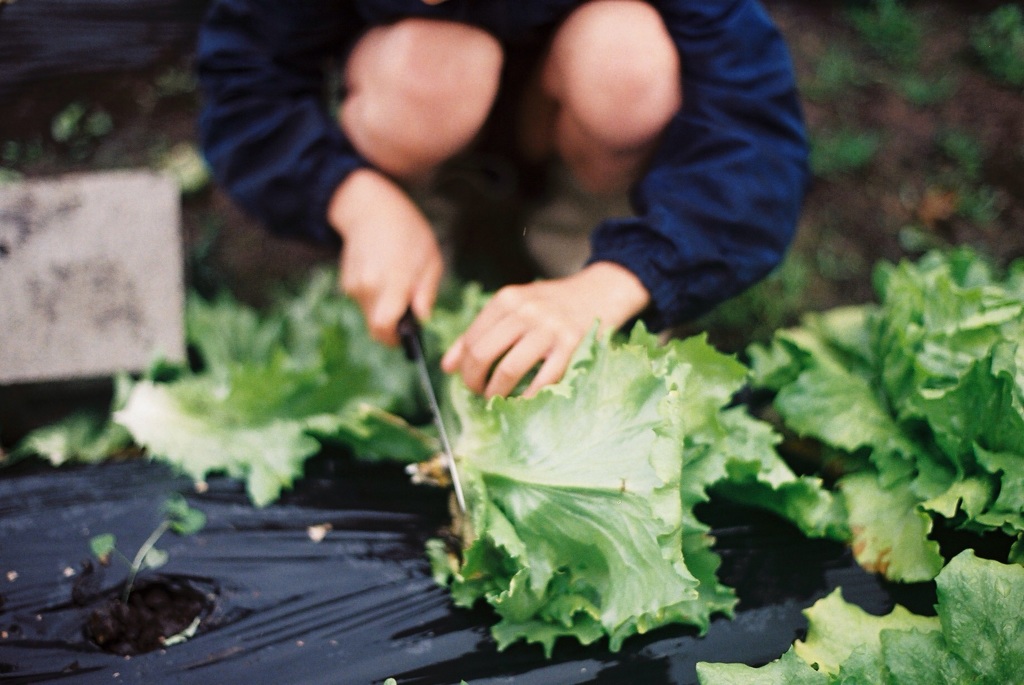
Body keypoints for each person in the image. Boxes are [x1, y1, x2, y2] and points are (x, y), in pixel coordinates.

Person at [196, 0, 809, 399]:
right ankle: (416, 246)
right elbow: (247, 85)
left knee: (628, 62)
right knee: (425, 72)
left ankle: (583, 245)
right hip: (426, 102)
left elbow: (753, 136)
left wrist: (621, 279)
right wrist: (356, 197)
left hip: (566, 106)